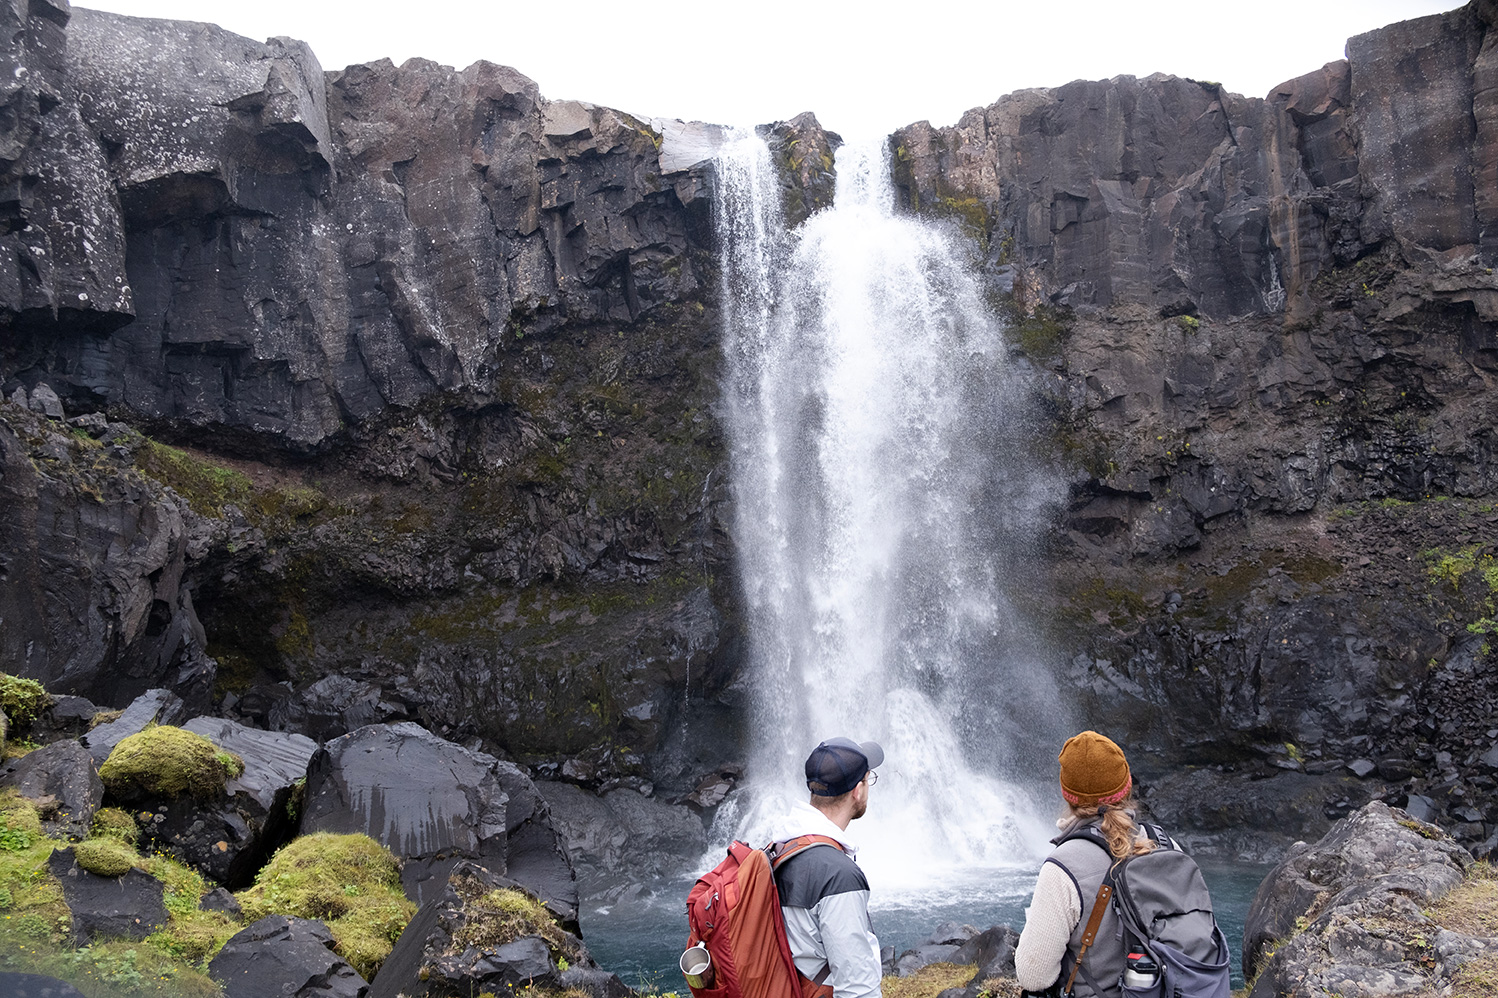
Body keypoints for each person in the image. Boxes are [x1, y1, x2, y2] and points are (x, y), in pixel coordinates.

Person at [1015, 730, 1164, 998]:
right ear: (1126, 786)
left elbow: (1033, 976)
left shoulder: (1064, 865)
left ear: (1067, 795)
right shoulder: (1164, 844)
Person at [767, 736, 886, 998]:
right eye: (869, 779)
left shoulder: (780, 846)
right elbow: (857, 988)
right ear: (858, 790)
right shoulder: (837, 876)